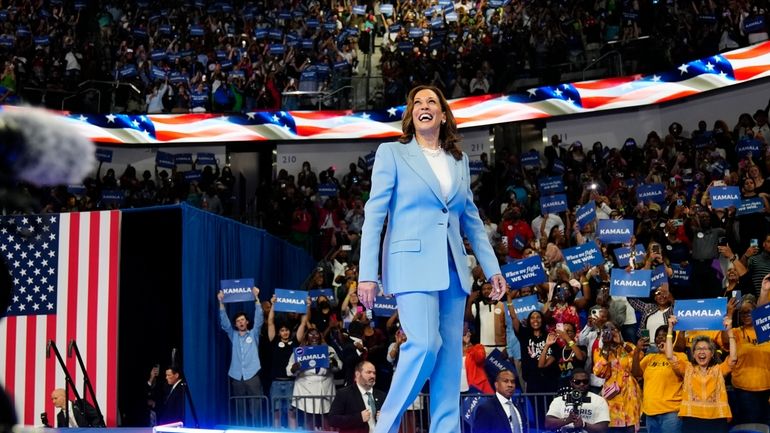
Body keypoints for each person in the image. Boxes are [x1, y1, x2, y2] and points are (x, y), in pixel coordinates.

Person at [357, 85, 506, 433]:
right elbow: (374, 215)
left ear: (442, 114)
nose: (424, 106)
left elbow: (470, 219)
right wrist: (367, 274)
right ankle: (385, 426)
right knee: (425, 345)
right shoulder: (392, 153)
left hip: (453, 270)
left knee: (448, 364)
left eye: (432, 102)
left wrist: (493, 268)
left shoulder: (459, 160)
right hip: (410, 266)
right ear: (411, 115)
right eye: (418, 102)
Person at [665, 315, 737, 433]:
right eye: (698, 349)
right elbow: (669, 355)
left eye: (705, 348)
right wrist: (670, 329)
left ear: (712, 353)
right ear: (693, 354)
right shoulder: (687, 369)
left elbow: (733, 358)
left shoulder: (718, 370)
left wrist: (729, 331)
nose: (701, 351)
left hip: (717, 420)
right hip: (692, 420)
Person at [217, 286, 264, 423]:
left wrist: (256, 298)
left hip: (252, 374)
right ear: (236, 325)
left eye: (243, 320)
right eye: (238, 321)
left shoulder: (254, 333)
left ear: (247, 322)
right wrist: (221, 302)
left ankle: (256, 429)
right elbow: (225, 324)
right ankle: (242, 429)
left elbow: (259, 318)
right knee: (240, 407)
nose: (240, 322)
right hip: (236, 375)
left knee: (255, 406)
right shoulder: (234, 335)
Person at [631, 326, 687, 433]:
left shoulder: (680, 356)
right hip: (650, 412)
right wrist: (637, 350)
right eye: (658, 336)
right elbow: (636, 373)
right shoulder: (650, 357)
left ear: (672, 339)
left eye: (664, 336)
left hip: (671, 412)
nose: (660, 338)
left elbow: (681, 372)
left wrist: (667, 351)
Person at [328, 361, 387, 433]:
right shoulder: (344, 394)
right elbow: (332, 420)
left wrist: (385, 418)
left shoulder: (382, 395)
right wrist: (359, 418)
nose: (372, 376)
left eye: (374, 373)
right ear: (358, 374)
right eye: (368, 372)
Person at [544, 369, 610, 433]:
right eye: (577, 382)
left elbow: (603, 429)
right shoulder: (559, 400)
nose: (581, 384)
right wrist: (567, 420)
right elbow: (548, 424)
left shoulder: (599, 401)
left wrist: (584, 425)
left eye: (585, 381)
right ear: (571, 383)